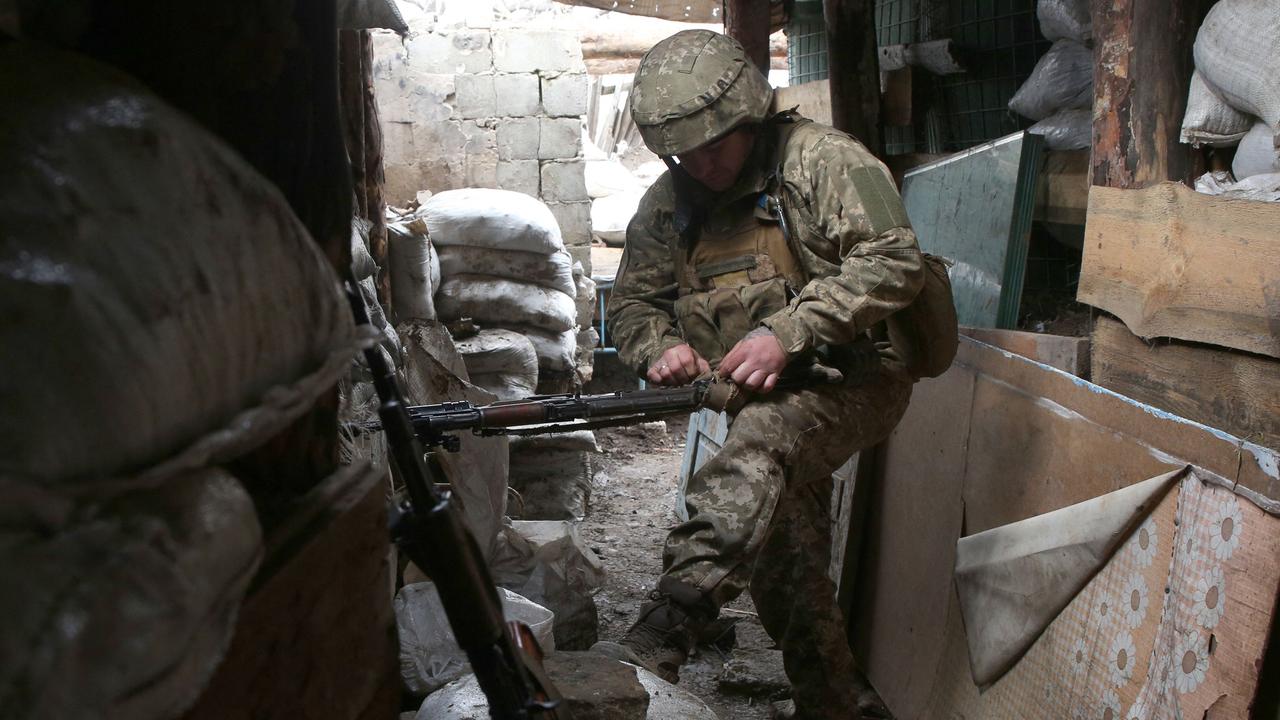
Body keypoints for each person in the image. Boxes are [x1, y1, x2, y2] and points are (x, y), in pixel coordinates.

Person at [590, 29, 927, 720]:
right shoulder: (668, 201)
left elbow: (895, 262)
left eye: (715, 146)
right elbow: (630, 304)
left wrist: (788, 332)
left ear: (748, 118)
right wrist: (658, 345)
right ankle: (839, 707)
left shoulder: (824, 162)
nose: (703, 165)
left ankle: (668, 627)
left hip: (858, 374)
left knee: (760, 442)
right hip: (762, 401)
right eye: (686, 153)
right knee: (784, 566)